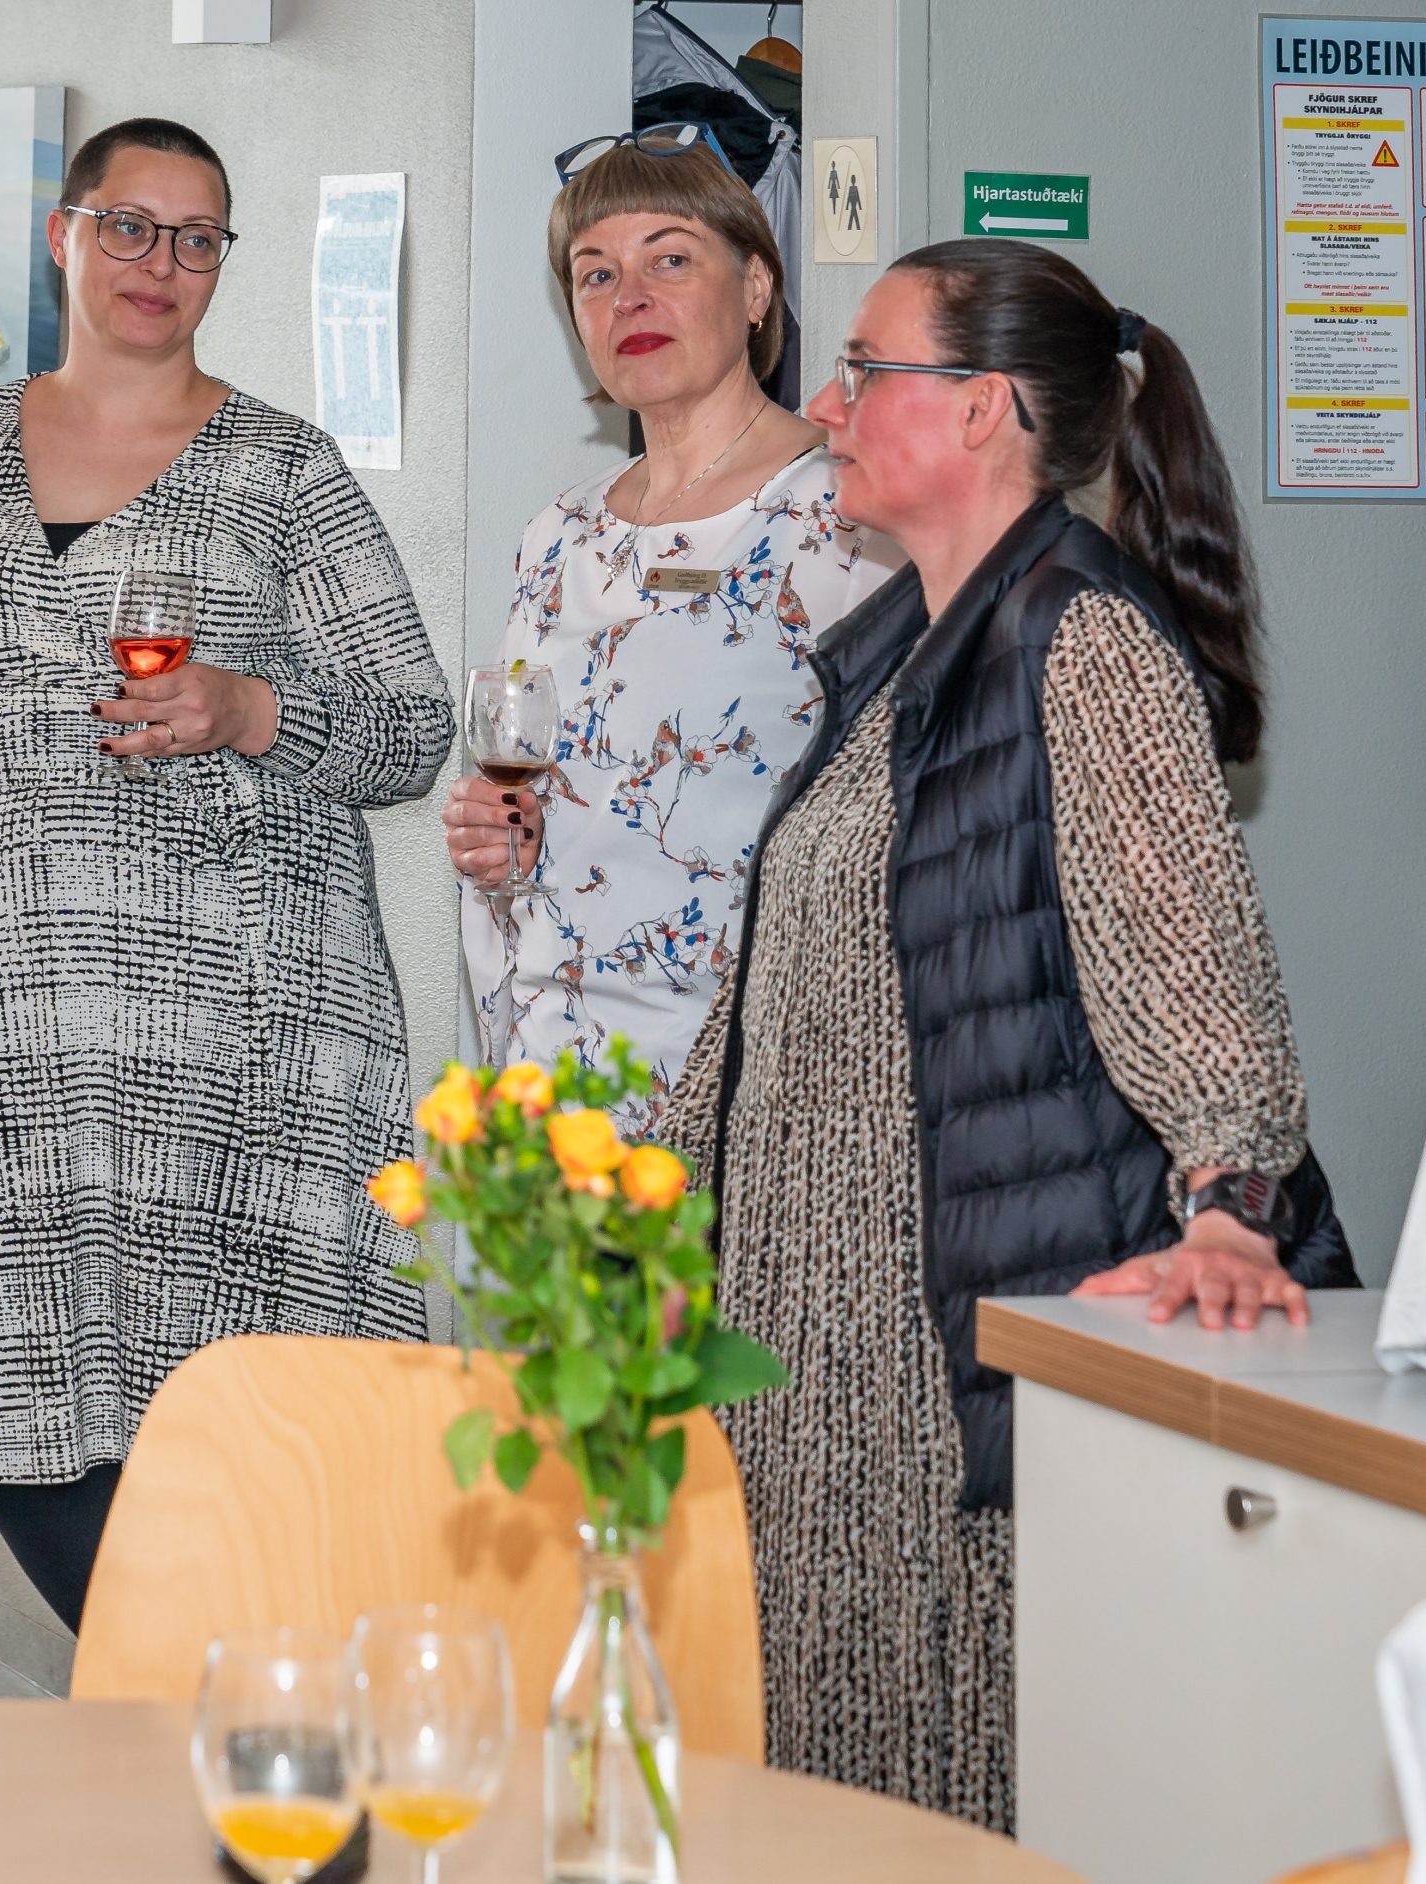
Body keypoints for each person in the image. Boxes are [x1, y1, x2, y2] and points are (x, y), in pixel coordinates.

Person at [669, 240, 1358, 1831]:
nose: (826, 404)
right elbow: (795, 989)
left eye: (866, 371)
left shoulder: (1080, 644)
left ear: (981, 409)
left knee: (946, 1801)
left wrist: (1231, 1206)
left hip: (946, 1397)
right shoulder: (907, 650)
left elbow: (1203, 987)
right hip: (818, 1383)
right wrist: (640, 1194)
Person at [0, 117, 453, 1630]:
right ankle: (188, 1675)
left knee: (220, 1398)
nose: (159, 264)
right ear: (64, 233)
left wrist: (250, 708)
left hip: (240, 1004)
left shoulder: (283, 470)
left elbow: (411, 728)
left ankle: (201, 1699)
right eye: (130, 225)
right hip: (0, 990)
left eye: (197, 239)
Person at [443, 133, 898, 1114]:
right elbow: (533, 792)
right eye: (595, 273)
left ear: (756, 288)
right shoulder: (559, 534)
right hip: (556, 1075)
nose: (630, 299)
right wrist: (503, 838)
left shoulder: (850, 518)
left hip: (757, 1075)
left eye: (671, 259)